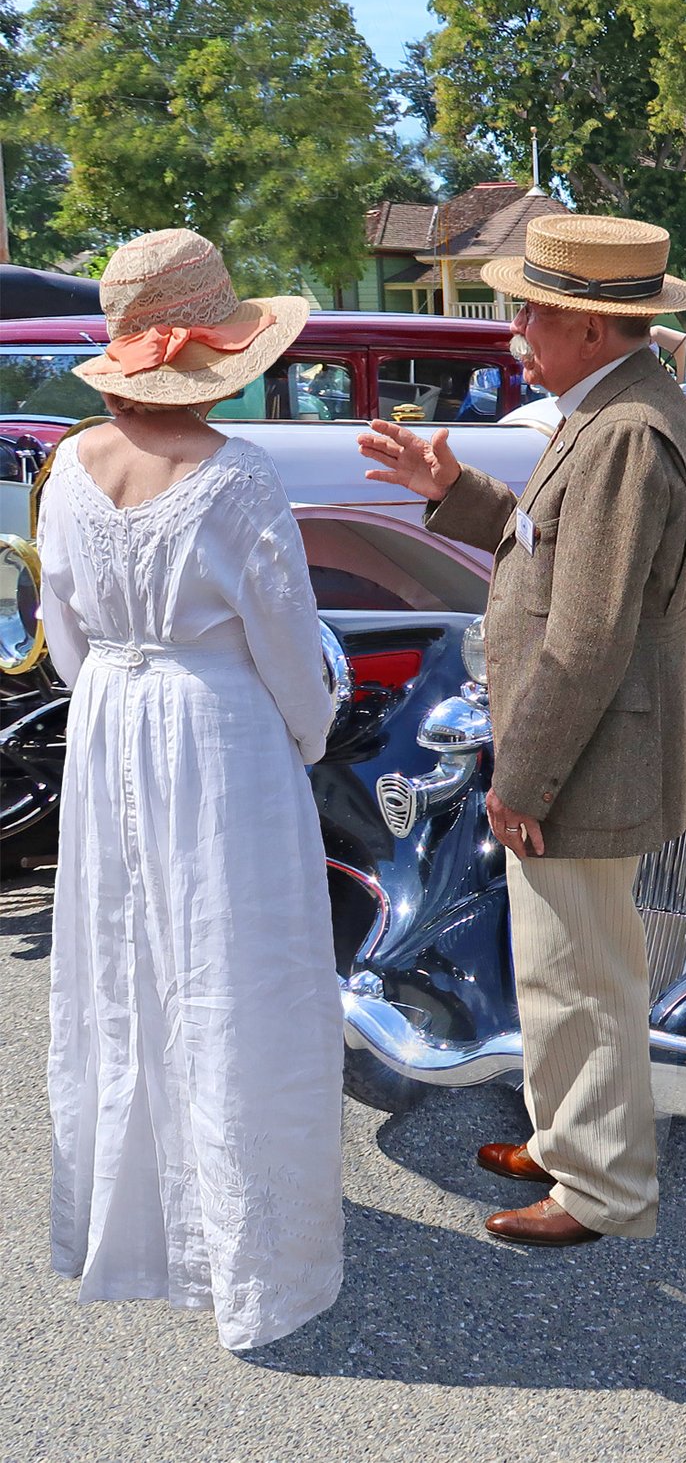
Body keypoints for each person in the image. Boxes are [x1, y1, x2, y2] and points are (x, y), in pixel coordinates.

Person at [358, 214, 686, 1247]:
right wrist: (453, 491)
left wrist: (527, 777)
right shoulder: (612, 412)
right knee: (568, 965)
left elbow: (590, 632)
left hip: (586, 759)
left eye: (532, 308)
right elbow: (549, 545)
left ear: (595, 328)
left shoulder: (623, 432)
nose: (514, 327)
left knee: (583, 973)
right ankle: (571, 1141)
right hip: (587, 753)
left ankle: (600, 1187)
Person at [42, 229, 342, 1350]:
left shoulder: (71, 463)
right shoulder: (241, 473)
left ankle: (134, 1227)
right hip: (220, 732)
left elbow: (61, 633)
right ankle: (253, 1252)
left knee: (125, 965)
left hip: (111, 716)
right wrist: (307, 737)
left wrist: (113, 694)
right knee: (236, 974)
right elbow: (284, 640)